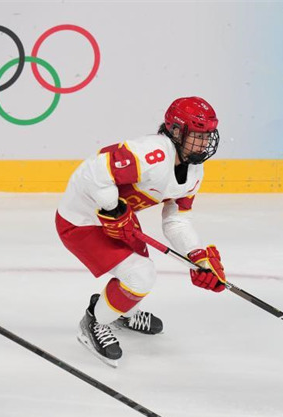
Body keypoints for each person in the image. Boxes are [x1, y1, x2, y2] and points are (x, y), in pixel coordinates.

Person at [55, 96, 226, 367]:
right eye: (198, 135)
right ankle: (94, 321)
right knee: (140, 275)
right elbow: (95, 169)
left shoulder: (195, 171)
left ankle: (121, 314)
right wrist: (112, 207)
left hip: (118, 221)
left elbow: (177, 220)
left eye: (208, 136)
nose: (204, 143)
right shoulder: (152, 153)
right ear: (176, 130)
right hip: (81, 220)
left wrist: (197, 257)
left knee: (137, 275)